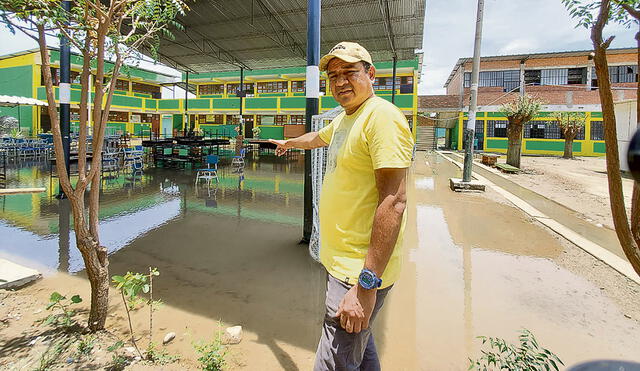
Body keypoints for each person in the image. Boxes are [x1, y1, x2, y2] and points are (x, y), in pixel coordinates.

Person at [269, 41, 414, 370]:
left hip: (358, 273)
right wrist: (290, 142)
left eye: (350, 72)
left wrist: (365, 286)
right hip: (342, 265)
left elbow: (394, 202)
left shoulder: (382, 118)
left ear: (371, 74)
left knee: (332, 361)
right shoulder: (348, 118)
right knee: (361, 349)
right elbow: (317, 138)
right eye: (333, 76)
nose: (340, 82)